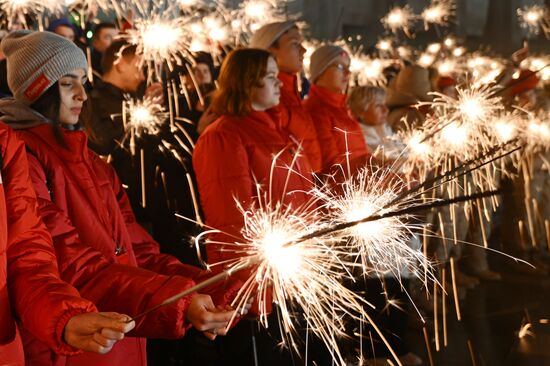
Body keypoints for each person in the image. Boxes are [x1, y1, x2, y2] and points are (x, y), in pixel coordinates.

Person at [0, 30, 241, 365]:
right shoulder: (24, 158)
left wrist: (215, 284)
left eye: (83, 80)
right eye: (68, 82)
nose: (83, 94)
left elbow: (138, 251)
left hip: (121, 339)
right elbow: (72, 265)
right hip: (75, 347)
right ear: (39, 89)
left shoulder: (95, 163)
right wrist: (179, 302)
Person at [193, 48, 314, 366]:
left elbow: (304, 198)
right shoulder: (223, 137)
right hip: (260, 287)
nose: (281, 85)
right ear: (246, 83)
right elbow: (231, 221)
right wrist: (249, 292)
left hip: (292, 278)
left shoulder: (280, 132)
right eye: (270, 77)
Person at [0, 121, 135, 365]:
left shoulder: (4, 143)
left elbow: (27, 261)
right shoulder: (33, 156)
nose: (81, 95)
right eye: (66, 84)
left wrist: (63, 318)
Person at [250, 21, 322, 172]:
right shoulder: (269, 99)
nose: (304, 50)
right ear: (271, 51)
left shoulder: (292, 94)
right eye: (295, 44)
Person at [303, 44, 369, 174]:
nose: (347, 72)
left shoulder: (341, 108)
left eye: (348, 67)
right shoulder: (316, 111)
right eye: (340, 66)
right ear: (320, 71)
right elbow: (332, 169)